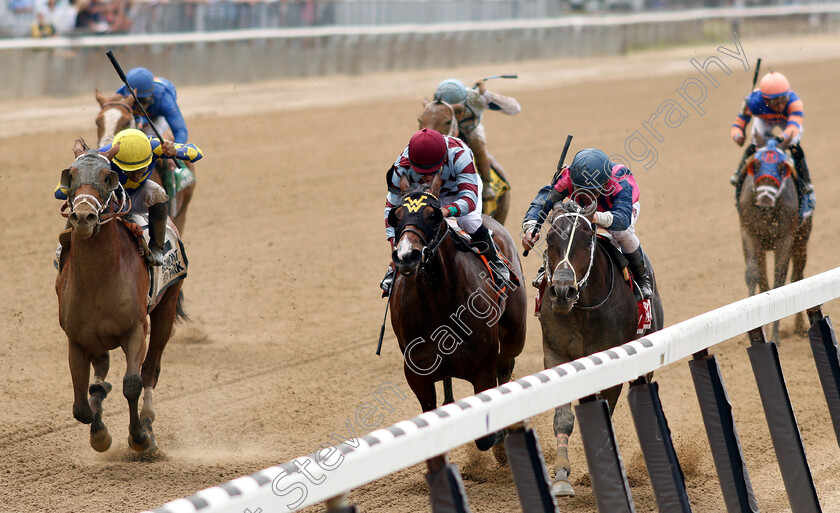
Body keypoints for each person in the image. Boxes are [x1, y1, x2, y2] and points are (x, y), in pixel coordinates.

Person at [380, 128, 511, 296]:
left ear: (443, 161)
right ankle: (394, 269)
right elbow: (391, 208)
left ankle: (496, 261)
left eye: (433, 171)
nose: (427, 178)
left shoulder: (460, 154)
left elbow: (469, 199)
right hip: (423, 194)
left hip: (459, 191)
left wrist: (446, 211)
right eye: (422, 172)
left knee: (469, 222)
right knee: (407, 221)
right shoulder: (401, 166)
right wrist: (394, 247)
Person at [55, 129, 203, 266]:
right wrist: (75, 182)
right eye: (130, 171)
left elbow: (196, 152)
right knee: (82, 199)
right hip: (113, 198)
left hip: (139, 194)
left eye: (142, 169)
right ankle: (63, 247)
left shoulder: (155, 146)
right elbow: (59, 192)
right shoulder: (104, 156)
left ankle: (157, 249)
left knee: (158, 192)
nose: (137, 175)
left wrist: (175, 150)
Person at [520, 148, 653, 300]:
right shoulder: (567, 177)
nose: (585, 196)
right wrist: (530, 228)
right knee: (564, 227)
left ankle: (642, 278)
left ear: (605, 184)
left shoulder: (620, 181)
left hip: (617, 211)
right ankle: (546, 269)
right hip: (584, 210)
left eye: (591, 191)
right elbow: (542, 202)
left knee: (622, 233)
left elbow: (622, 219)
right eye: (579, 189)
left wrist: (596, 217)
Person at [729, 71, 815, 218]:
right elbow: (738, 124)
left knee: (794, 146)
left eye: (784, 99)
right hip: (765, 120)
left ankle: (805, 182)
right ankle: (739, 174)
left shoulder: (794, 102)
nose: (781, 105)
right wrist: (737, 136)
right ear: (765, 99)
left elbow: (793, 127)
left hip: (786, 122)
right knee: (755, 144)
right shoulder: (753, 103)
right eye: (776, 101)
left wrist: (781, 138)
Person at [433, 78, 521, 201]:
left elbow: (514, 108)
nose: (454, 115)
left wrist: (486, 94)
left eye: (458, 110)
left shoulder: (475, 98)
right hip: (446, 135)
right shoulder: (435, 105)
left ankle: (487, 184)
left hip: (470, 134)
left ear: (465, 102)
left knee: (477, 142)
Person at [117, 67, 189, 145]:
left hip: (157, 115)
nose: (139, 106)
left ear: (152, 96)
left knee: (155, 138)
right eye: (134, 101)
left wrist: (175, 151)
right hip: (137, 116)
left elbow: (180, 131)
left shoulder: (164, 98)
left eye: (143, 101)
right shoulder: (121, 94)